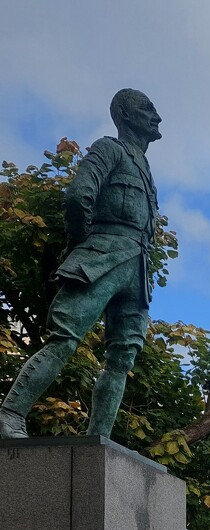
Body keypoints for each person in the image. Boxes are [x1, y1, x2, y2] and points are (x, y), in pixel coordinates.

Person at [0, 90, 162, 440]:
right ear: (125, 114)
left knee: (122, 359)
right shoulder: (109, 149)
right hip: (101, 256)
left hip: (138, 268)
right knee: (65, 338)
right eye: (146, 109)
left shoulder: (146, 169)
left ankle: (99, 438)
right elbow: (78, 196)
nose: (157, 117)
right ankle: (11, 413)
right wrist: (81, 248)